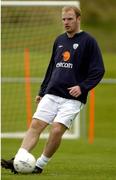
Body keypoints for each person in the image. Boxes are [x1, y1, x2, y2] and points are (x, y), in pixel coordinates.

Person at [1, 6, 105, 174]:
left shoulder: (89, 41)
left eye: (70, 19)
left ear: (78, 19)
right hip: (52, 93)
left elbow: (98, 70)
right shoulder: (59, 40)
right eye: (64, 19)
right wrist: (42, 91)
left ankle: (39, 165)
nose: (66, 22)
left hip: (72, 99)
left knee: (56, 129)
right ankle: (18, 160)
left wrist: (83, 87)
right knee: (35, 125)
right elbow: (52, 67)